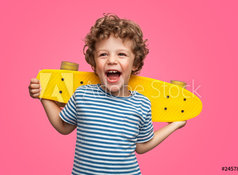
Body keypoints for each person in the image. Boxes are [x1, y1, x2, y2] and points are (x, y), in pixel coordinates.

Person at [28, 13, 186, 175]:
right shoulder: (83, 95)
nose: (111, 60)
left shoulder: (142, 103)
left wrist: (174, 125)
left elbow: (142, 146)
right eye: (103, 54)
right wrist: (43, 95)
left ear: (135, 63)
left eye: (121, 54)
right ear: (94, 64)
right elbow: (63, 126)